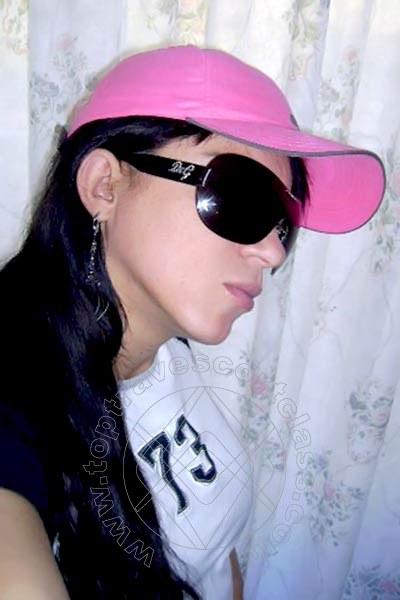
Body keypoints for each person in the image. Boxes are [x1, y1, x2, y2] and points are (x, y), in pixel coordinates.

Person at [0, 45, 385, 599]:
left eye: (282, 223)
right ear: (105, 185)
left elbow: (216, 551)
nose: (273, 252)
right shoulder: (17, 409)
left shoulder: (165, 345)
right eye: (240, 198)